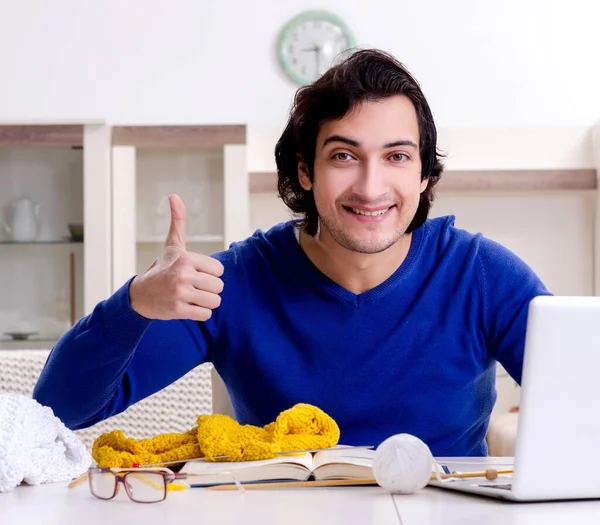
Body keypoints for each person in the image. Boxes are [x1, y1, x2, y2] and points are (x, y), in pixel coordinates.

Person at [33, 48, 551, 456]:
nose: (371, 187)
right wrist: (133, 305)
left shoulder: (481, 274)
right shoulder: (234, 282)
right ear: (306, 171)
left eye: (396, 156)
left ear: (422, 175)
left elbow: (581, 399)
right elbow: (60, 409)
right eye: (344, 156)